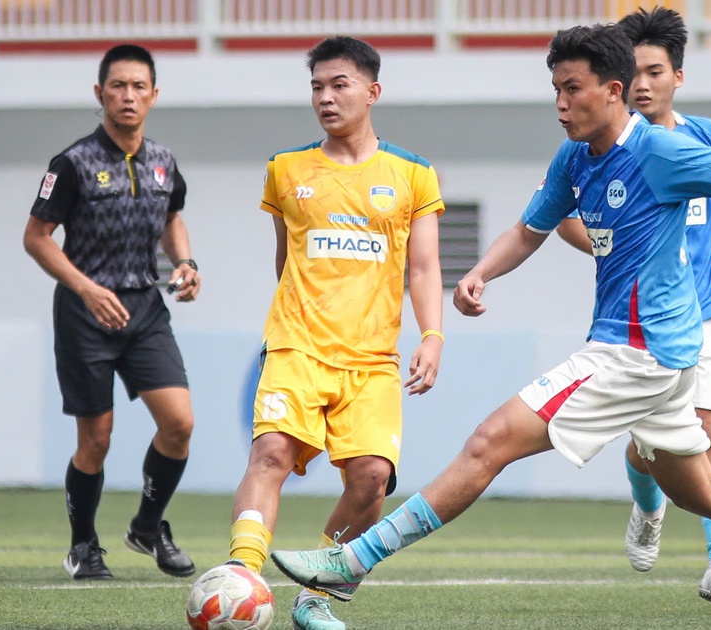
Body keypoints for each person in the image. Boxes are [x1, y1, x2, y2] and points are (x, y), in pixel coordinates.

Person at [269, 23, 711, 630]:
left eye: (572, 89)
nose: (561, 104)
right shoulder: (574, 158)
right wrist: (482, 273)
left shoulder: (660, 152)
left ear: (614, 90)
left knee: (487, 444)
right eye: (555, 91)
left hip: (637, 353)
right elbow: (531, 228)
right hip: (660, 363)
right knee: (710, 493)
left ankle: (347, 565)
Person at [554, 7, 711, 607]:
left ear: (676, 77)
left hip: (705, 308)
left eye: (654, 71)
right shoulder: (600, 145)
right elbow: (559, 216)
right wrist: (609, 245)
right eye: (632, 71)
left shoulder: (706, 137)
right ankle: (647, 503)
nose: (642, 83)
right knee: (648, 449)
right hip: (639, 324)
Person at [223, 36, 445, 630]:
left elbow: (422, 268)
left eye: (339, 84)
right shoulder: (286, 169)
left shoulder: (414, 175)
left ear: (372, 91)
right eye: (317, 86)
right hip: (297, 347)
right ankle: (241, 576)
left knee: (372, 478)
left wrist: (432, 335)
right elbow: (285, 259)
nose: (325, 97)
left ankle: (316, 595)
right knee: (270, 453)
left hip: (372, 360)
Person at [23, 44, 200, 581]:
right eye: (118, 86)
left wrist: (186, 262)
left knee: (180, 423)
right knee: (95, 441)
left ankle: (147, 527)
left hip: (146, 308)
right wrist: (85, 288)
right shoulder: (72, 163)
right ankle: (83, 546)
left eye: (138, 87)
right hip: (86, 316)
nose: (128, 96)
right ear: (100, 94)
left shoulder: (165, 161)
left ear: (154, 95)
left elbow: (172, 217)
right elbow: (36, 238)